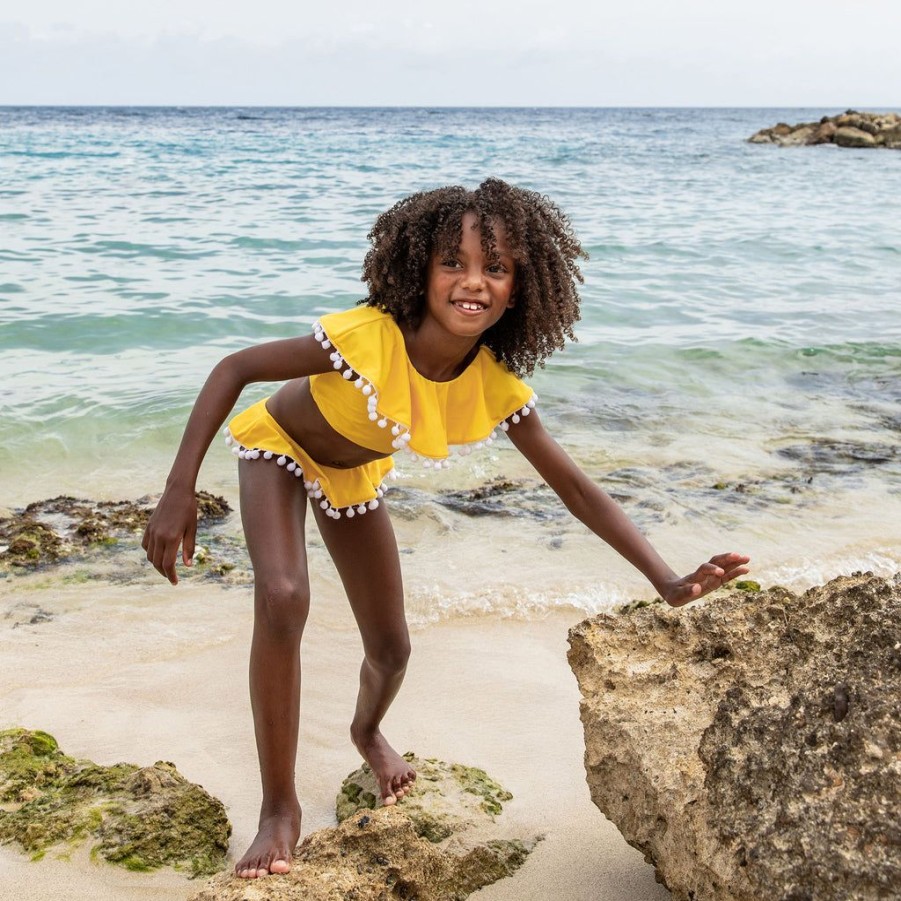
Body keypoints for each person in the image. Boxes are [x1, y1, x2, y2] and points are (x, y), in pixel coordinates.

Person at [142, 178, 750, 879]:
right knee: (284, 596)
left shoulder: (492, 383)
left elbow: (576, 488)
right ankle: (279, 808)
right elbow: (236, 367)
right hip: (279, 446)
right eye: (452, 263)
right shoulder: (368, 338)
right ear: (419, 272)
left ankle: (366, 732)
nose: (473, 282)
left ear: (519, 289)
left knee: (393, 649)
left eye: (495, 268)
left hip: (350, 476)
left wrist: (666, 578)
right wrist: (178, 487)